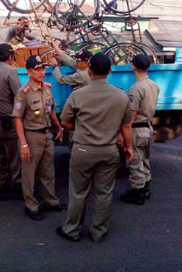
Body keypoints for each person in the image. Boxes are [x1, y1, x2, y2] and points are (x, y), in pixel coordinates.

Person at [56, 53, 133, 243]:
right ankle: (99, 232)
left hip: (82, 150)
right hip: (109, 151)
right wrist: (129, 148)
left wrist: (82, 128)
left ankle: (72, 230)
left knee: (78, 192)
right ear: (109, 71)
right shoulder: (121, 96)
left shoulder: (78, 95)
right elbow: (126, 127)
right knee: (104, 193)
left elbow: (65, 122)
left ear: (89, 72)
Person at [12, 55, 67, 221]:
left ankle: (51, 201)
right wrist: (23, 144)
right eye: (37, 69)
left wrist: (59, 127)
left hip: (46, 135)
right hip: (32, 136)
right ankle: (31, 205)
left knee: (48, 171)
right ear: (28, 72)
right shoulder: (23, 93)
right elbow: (18, 118)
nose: (41, 72)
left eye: (43, 69)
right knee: (29, 173)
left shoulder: (46, 89)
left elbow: (50, 111)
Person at [120, 54, 160, 206]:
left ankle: (138, 192)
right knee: (145, 159)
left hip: (137, 128)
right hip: (148, 127)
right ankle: (145, 186)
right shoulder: (153, 85)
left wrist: (124, 132)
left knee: (135, 160)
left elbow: (132, 113)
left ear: (133, 67)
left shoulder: (136, 88)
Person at [0, 44, 22, 194]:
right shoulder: (10, 71)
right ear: (10, 57)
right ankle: (18, 184)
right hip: (6, 122)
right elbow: (19, 96)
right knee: (14, 155)